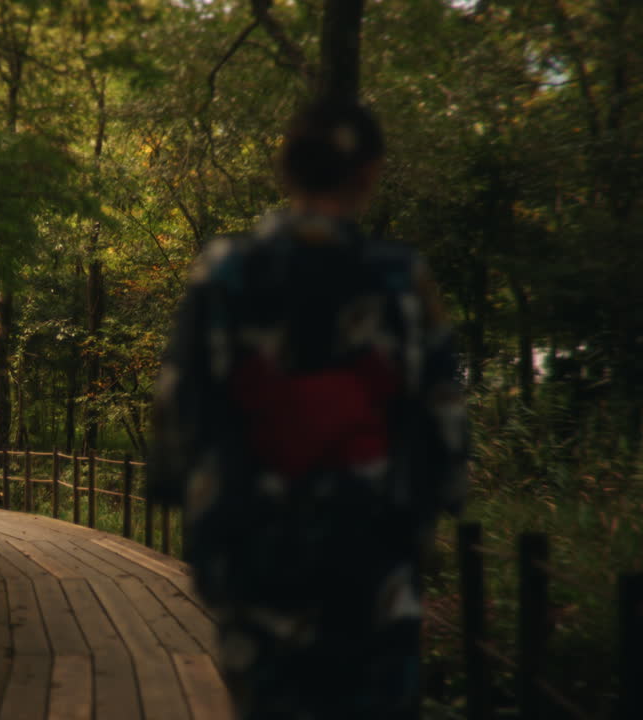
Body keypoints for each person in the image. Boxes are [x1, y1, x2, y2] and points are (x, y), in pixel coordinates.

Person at [149, 99, 467, 719]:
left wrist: (177, 491)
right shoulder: (403, 281)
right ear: (370, 172)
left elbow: (178, 408)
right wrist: (441, 497)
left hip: (253, 557)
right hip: (373, 560)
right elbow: (444, 417)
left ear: (285, 168)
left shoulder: (225, 273)